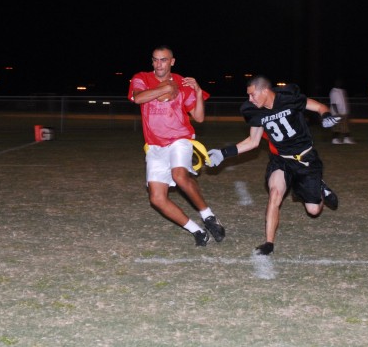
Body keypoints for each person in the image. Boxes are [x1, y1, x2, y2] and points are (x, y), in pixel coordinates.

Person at [205, 76, 340, 255]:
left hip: (306, 159)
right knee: (275, 194)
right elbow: (253, 142)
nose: (250, 100)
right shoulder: (255, 111)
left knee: (313, 210)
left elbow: (319, 107)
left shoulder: (289, 97)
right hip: (281, 160)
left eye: (253, 95)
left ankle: (320, 188)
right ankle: (269, 243)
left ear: (265, 91)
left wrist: (326, 115)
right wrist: (223, 154)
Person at [128, 45, 225, 247]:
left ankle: (208, 216)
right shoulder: (142, 78)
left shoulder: (183, 82)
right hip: (155, 145)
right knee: (156, 198)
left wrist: (197, 91)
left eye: (163, 60)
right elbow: (138, 98)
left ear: (172, 61)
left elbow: (198, 117)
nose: (158, 64)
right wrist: (166, 88)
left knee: (179, 175)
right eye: (155, 59)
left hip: (179, 138)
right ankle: (197, 230)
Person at [329, 79, 355, 144]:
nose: (339, 83)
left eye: (340, 82)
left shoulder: (342, 91)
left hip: (344, 112)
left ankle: (346, 139)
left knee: (345, 126)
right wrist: (337, 113)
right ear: (335, 83)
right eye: (338, 82)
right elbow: (333, 103)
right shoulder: (333, 91)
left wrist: (347, 111)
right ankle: (334, 139)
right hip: (336, 113)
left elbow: (345, 102)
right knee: (337, 127)